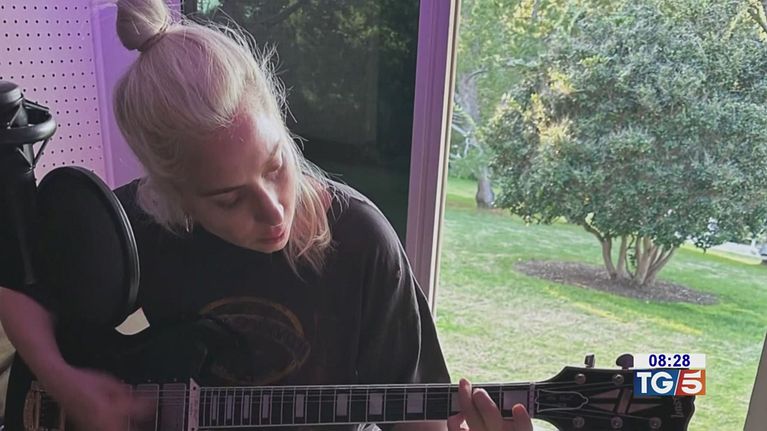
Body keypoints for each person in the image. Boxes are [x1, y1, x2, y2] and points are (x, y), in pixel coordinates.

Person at [0, 1, 533, 430]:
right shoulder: (137, 224)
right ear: (171, 196)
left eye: (276, 165)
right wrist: (68, 385)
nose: (274, 208)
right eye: (228, 199)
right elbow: (17, 287)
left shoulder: (361, 242)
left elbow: (418, 417)